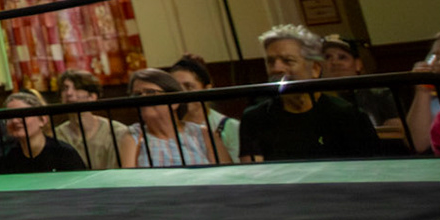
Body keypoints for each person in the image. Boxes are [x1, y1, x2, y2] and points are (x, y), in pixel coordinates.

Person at [238, 25, 377, 163]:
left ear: (315, 69)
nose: (276, 69)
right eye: (271, 62)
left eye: (287, 61)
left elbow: (369, 168)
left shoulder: (347, 115)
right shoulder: (255, 118)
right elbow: (254, 170)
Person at [124, 68, 229, 167]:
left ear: (174, 102)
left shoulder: (203, 134)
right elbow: (128, 177)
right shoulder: (134, 135)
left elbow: (226, 173)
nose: (142, 98)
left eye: (150, 92)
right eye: (137, 95)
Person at [320, 35, 403, 139]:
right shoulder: (315, 99)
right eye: (327, 57)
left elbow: (397, 133)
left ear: (358, 64)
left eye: (342, 57)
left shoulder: (381, 95)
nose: (335, 62)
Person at [53, 69, 138, 170]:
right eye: (64, 89)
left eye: (77, 88)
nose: (69, 93)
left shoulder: (117, 132)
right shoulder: (56, 136)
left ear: (92, 97)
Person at [168, 56, 241, 163]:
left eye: (189, 86)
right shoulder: (167, 128)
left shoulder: (229, 126)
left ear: (206, 89)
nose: (181, 93)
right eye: (175, 88)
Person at [0, 91, 88, 175]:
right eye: (9, 117)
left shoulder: (64, 154)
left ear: (42, 120)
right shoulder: (9, 159)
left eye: (21, 115)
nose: (14, 121)